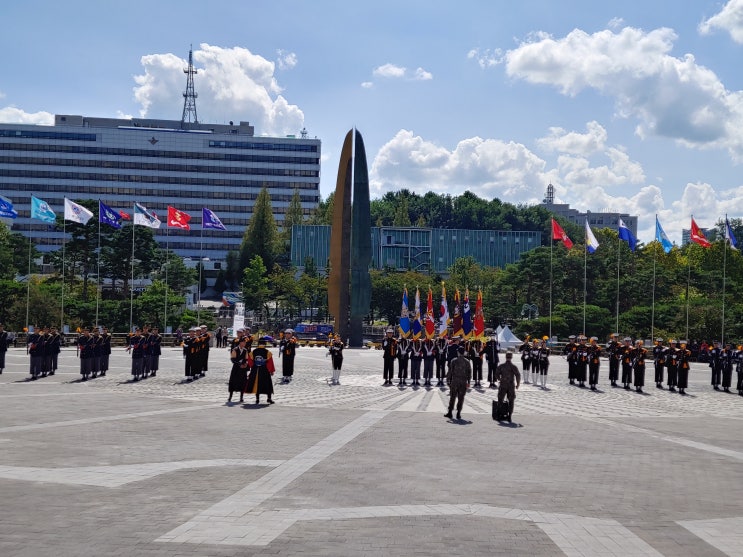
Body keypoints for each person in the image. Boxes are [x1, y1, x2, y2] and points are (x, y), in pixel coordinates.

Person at [444, 345, 471, 420]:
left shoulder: (454, 360)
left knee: (452, 397)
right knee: (461, 398)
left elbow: (450, 371)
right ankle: (458, 413)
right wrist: (468, 382)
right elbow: (469, 373)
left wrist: (448, 380)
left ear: (458, 352)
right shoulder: (467, 362)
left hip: (455, 381)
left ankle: (450, 412)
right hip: (463, 382)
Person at [246, 337, 275, 404]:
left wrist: (253, 366)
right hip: (265, 370)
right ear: (265, 343)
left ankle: (257, 399)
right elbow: (270, 362)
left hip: (256, 370)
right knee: (267, 384)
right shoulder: (268, 352)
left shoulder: (253, 352)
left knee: (257, 384)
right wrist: (271, 370)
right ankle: (269, 398)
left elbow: (250, 361)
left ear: (258, 343)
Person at [494, 350, 521, 423]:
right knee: (511, 401)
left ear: (505, 357)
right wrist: (518, 384)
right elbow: (518, 375)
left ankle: (499, 415)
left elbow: (496, 373)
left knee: (500, 400)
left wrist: (500, 379)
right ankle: (509, 416)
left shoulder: (501, 366)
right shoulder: (513, 367)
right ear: (511, 357)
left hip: (503, 385)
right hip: (511, 385)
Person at [228, 336, 249, 402]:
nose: (244, 344)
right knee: (233, 381)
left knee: (243, 382)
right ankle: (230, 396)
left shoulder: (245, 350)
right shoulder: (235, 349)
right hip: (236, 368)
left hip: (243, 368)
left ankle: (241, 397)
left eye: (245, 342)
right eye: (243, 342)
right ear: (240, 343)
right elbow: (232, 359)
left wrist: (245, 364)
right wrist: (239, 364)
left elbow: (246, 359)